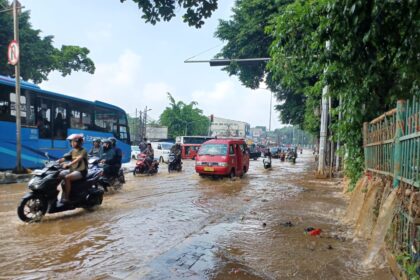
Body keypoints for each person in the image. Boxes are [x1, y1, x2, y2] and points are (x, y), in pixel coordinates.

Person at [57, 134, 88, 204]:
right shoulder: (72, 151)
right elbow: (65, 158)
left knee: (67, 178)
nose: (72, 143)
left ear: (79, 142)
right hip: (72, 170)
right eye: (71, 142)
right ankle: (60, 192)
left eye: (74, 142)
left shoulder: (83, 151)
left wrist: (68, 164)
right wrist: (56, 161)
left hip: (81, 171)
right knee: (58, 174)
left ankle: (67, 198)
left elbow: (78, 159)